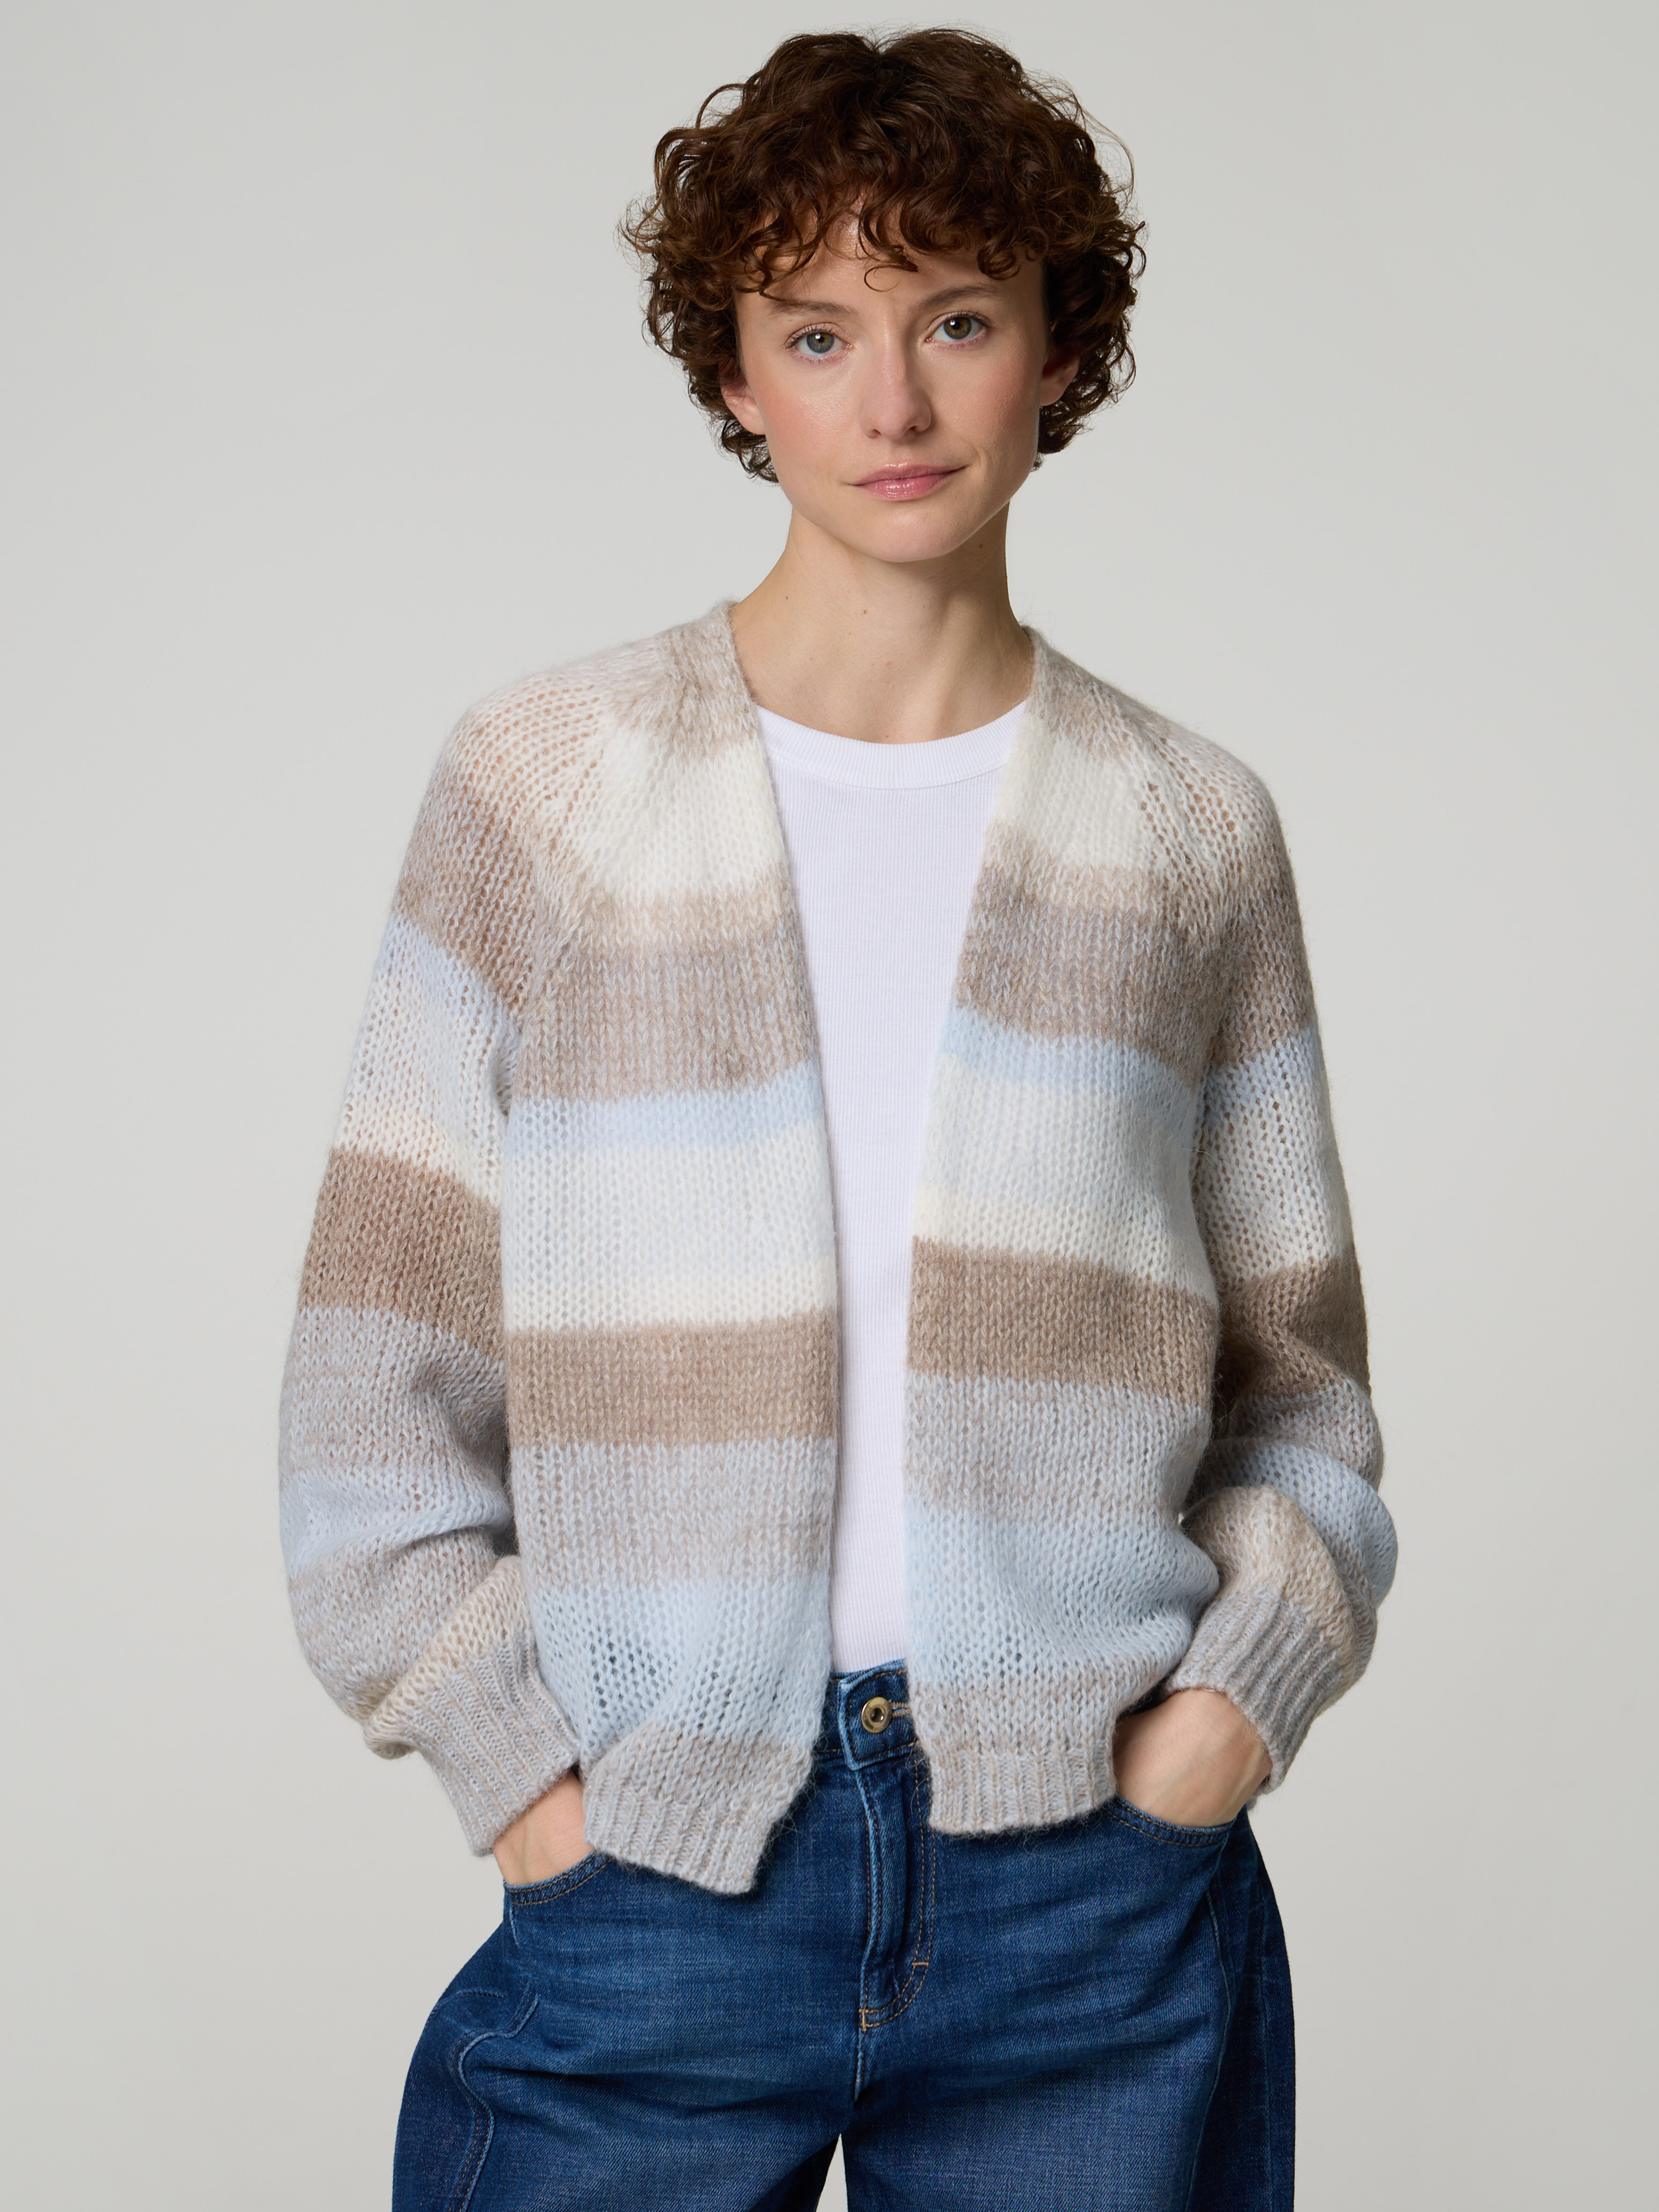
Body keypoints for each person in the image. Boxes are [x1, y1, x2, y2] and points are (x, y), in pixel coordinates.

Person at [279, 27, 1396, 2210]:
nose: (891, 404)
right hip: (658, 1867)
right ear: (734, 373)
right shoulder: (548, 785)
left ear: (1057, 350)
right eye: (816, 334)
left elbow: (1301, 1393)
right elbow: (370, 1374)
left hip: (1091, 1892)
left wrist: (1215, 1729)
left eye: (955, 321)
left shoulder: (1187, 829)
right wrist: (530, 1784)